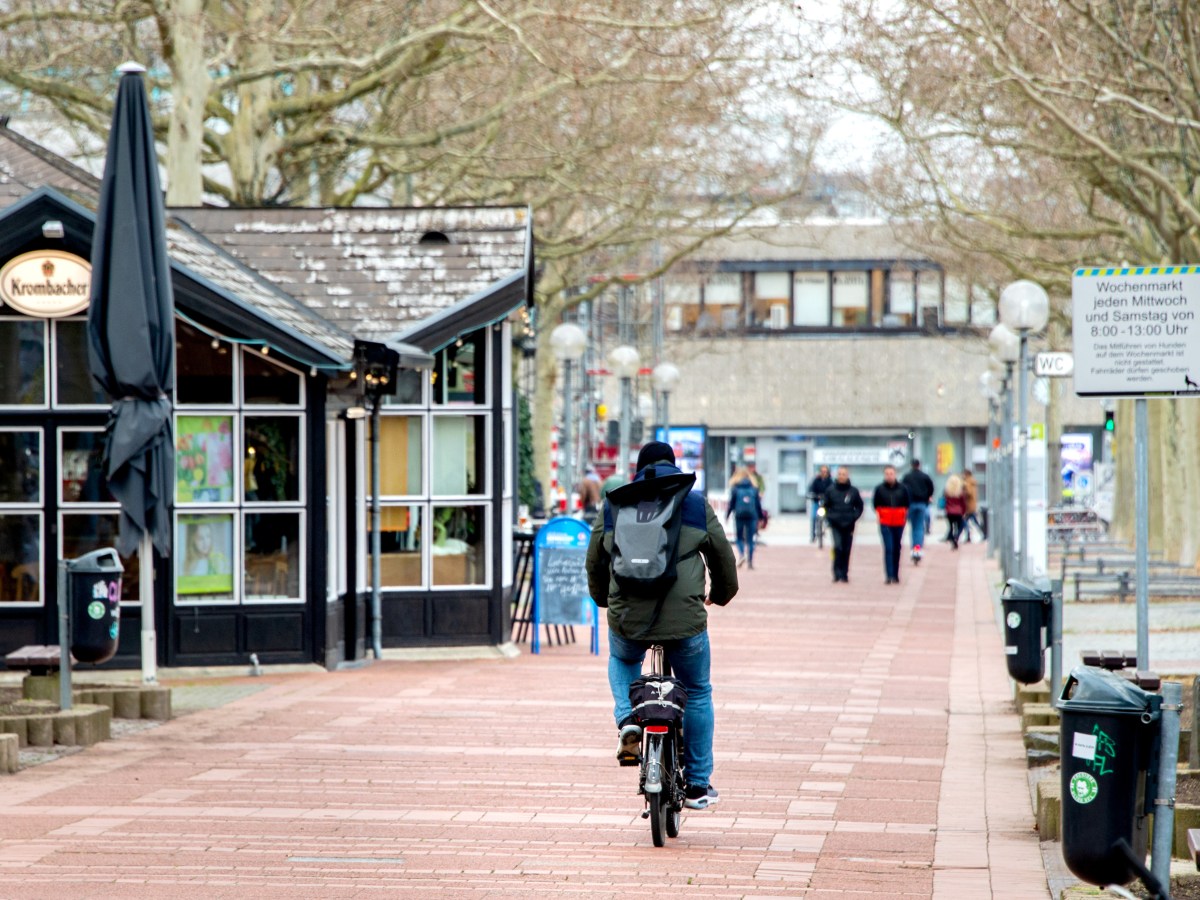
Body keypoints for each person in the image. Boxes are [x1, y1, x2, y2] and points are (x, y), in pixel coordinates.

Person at [586, 441, 739, 810]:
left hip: (628, 616)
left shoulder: (614, 502)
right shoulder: (694, 503)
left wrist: (605, 600)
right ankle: (699, 785)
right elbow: (723, 558)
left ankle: (627, 720)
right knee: (698, 690)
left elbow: (595, 561)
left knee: (623, 660)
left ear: (639, 468)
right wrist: (720, 594)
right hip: (685, 618)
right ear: (673, 465)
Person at [823, 466, 864, 583]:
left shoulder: (853, 491)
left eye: (844, 474)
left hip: (849, 524)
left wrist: (854, 517)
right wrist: (829, 517)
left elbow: (859, 507)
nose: (841, 476)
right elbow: (825, 506)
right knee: (838, 547)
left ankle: (844, 573)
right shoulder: (830, 490)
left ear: (847, 476)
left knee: (846, 549)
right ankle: (836, 572)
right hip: (835, 524)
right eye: (839, 474)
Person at [872, 465, 910, 584]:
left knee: (897, 547)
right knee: (888, 548)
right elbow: (875, 504)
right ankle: (889, 575)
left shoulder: (903, 488)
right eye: (887, 474)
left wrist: (903, 515)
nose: (889, 476)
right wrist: (880, 515)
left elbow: (907, 503)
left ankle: (896, 574)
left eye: (891, 473)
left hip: (899, 522)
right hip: (885, 522)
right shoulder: (879, 489)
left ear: (895, 474)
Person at [725, 465, 764, 568]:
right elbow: (758, 505)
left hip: (739, 515)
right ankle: (750, 562)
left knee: (739, 538)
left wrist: (727, 515)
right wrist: (761, 517)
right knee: (750, 539)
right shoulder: (754, 488)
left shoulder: (735, 488)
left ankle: (742, 554)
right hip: (752, 515)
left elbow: (731, 504)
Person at [900, 459, 935, 565]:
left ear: (911, 465)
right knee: (919, 528)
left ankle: (913, 549)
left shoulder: (906, 477)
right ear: (919, 465)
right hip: (921, 504)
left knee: (912, 528)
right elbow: (931, 489)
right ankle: (917, 549)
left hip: (910, 504)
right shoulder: (925, 476)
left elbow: (902, 489)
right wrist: (927, 497)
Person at [807, 465, 833, 542]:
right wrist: (812, 495)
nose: (824, 473)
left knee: (831, 516)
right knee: (814, 517)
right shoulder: (816, 481)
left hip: (826, 503)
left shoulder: (830, 481)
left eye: (825, 472)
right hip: (816, 502)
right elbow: (811, 490)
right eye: (822, 471)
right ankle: (813, 535)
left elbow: (833, 490)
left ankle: (830, 528)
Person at [943, 473, 966, 549]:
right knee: (961, 525)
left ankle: (952, 538)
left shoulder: (947, 491)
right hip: (958, 512)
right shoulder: (960, 491)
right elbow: (963, 503)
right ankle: (956, 537)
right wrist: (963, 512)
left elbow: (945, 501)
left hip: (949, 512)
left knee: (951, 527)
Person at [961, 469, 981, 542]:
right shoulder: (972, 482)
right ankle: (969, 535)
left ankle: (968, 534)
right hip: (971, 505)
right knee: (974, 521)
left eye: (963, 474)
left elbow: (969, 493)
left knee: (964, 521)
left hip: (969, 505)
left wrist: (964, 488)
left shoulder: (968, 483)